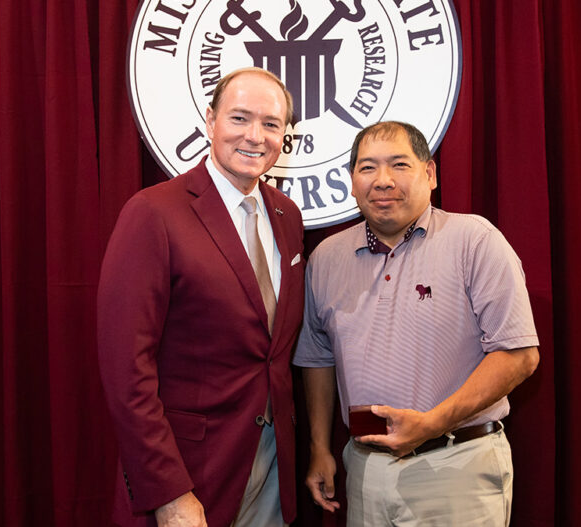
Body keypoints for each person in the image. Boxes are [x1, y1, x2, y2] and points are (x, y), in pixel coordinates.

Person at [293, 121, 540, 526]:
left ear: (430, 174)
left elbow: (519, 354)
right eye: (367, 168)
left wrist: (433, 423)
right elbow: (317, 358)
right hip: (365, 471)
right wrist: (320, 446)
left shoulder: (474, 241)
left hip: (457, 466)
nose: (383, 181)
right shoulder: (326, 258)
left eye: (399, 165)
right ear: (351, 182)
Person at [97, 67, 305, 527]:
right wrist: (169, 491)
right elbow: (126, 369)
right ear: (210, 119)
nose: (255, 136)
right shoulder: (153, 213)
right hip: (190, 474)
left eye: (271, 124)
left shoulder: (287, 215)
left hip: (272, 467)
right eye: (239, 119)